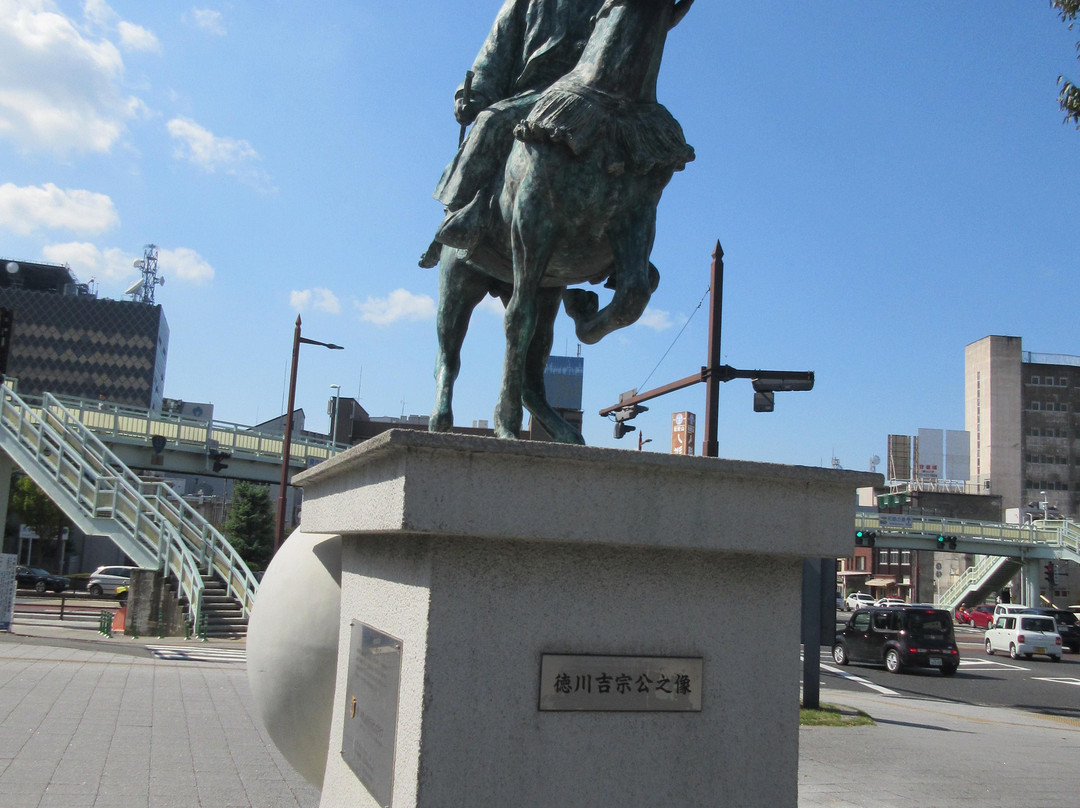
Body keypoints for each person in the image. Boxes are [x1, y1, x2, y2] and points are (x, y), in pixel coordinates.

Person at [422, 0, 605, 265]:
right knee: (490, 121)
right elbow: (494, 52)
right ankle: (459, 213)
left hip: (601, 97)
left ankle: (628, 239)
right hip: (537, 96)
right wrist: (473, 95)